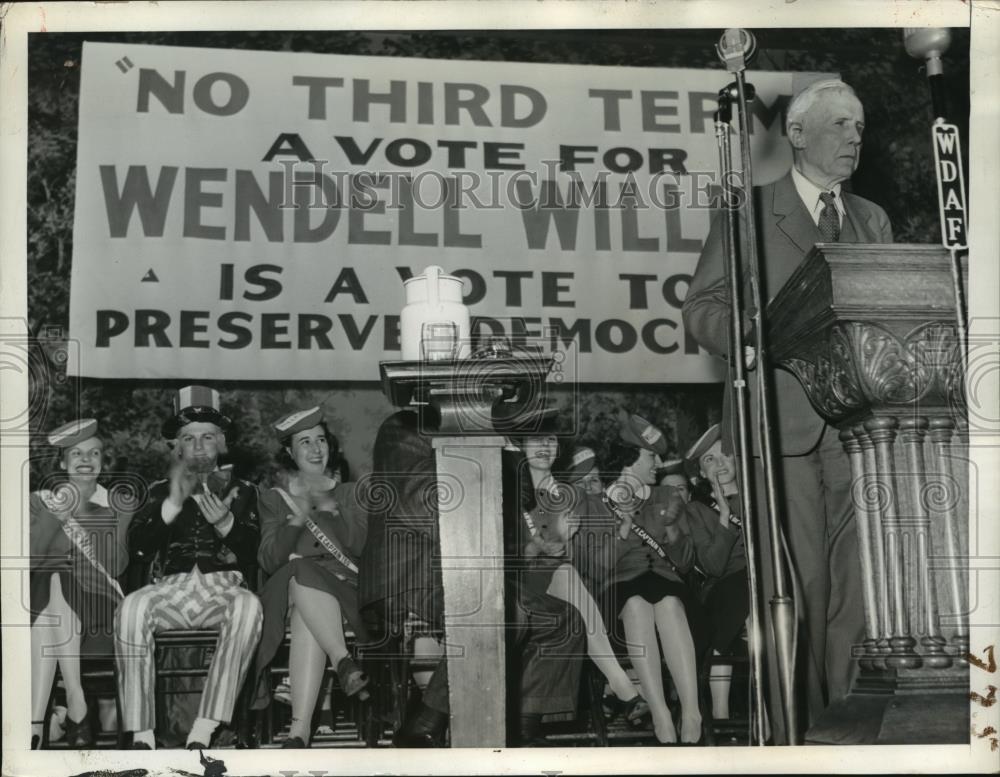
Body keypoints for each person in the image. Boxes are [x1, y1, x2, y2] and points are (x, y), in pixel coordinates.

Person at [682, 78, 892, 740]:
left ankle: (850, 733)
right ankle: (798, 740)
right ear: (797, 134)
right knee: (797, 596)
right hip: (783, 431)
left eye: (859, 125)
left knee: (859, 602)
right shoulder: (749, 212)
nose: (854, 135)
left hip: (864, 432)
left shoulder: (873, 219)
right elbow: (702, 307)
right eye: (838, 123)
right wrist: (746, 334)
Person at [115, 386, 262, 750]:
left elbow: (256, 553)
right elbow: (138, 550)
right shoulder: (156, 492)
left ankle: (205, 727)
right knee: (131, 607)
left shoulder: (244, 492)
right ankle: (142, 733)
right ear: (176, 447)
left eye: (207, 436)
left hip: (223, 588)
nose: (198, 446)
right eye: (188, 438)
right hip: (172, 589)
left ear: (222, 443)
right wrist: (169, 507)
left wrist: (227, 523)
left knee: (249, 607)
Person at [506, 426, 649, 730]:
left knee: (570, 575)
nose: (545, 444)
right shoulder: (509, 492)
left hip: (574, 588)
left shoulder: (575, 496)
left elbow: (596, 562)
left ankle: (621, 690)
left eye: (550, 437)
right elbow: (503, 555)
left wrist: (572, 541)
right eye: (535, 439)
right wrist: (540, 545)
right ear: (520, 446)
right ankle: (623, 689)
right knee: (566, 575)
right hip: (521, 586)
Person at [251, 407, 369, 748]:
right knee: (300, 570)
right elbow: (271, 560)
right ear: (290, 452)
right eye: (305, 442)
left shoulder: (350, 494)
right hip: (286, 589)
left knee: (307, 610)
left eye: (320, 440)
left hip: (342, 589)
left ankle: (299, 732)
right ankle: (342, 659)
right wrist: (296, 517)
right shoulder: (275, 499)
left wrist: (336, 509)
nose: (316, 449)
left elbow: (361, 547)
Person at [30, 419, 132, 749]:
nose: (85, 460)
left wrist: (88, 513)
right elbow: (29, 559)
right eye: (75, 453)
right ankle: (75, 705)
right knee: (51, 588)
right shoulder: (39, 501)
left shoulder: (118, 502)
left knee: (52, 589)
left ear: (104, 461)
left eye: (94, 453)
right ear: (62, 462)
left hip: (100, 604)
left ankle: (37, 725)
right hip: (46, 604)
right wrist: (54, 517)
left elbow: (116, 566)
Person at [602, 414, 702, 745]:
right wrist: (623, 529)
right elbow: (594, 566)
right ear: (629, 459)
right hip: (619, 588)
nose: (658, 463)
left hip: (665, 580)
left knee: (670, 603)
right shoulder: (599, 503)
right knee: (635, 605)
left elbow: (686, 563)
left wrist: (674, 532)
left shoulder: (666, 497)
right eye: (651, 456)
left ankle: (691, 712)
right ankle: (660, 713)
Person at [681, 425, 750, 722]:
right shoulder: (696, 510)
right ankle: (720, 711)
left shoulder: (761, 494)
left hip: (767, 582)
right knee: (740, 588)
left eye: (725, 455)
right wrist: (723, 517)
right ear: (699, 476)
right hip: (725, 587)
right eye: (709, 460)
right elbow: (712, 566)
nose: (720, 463)